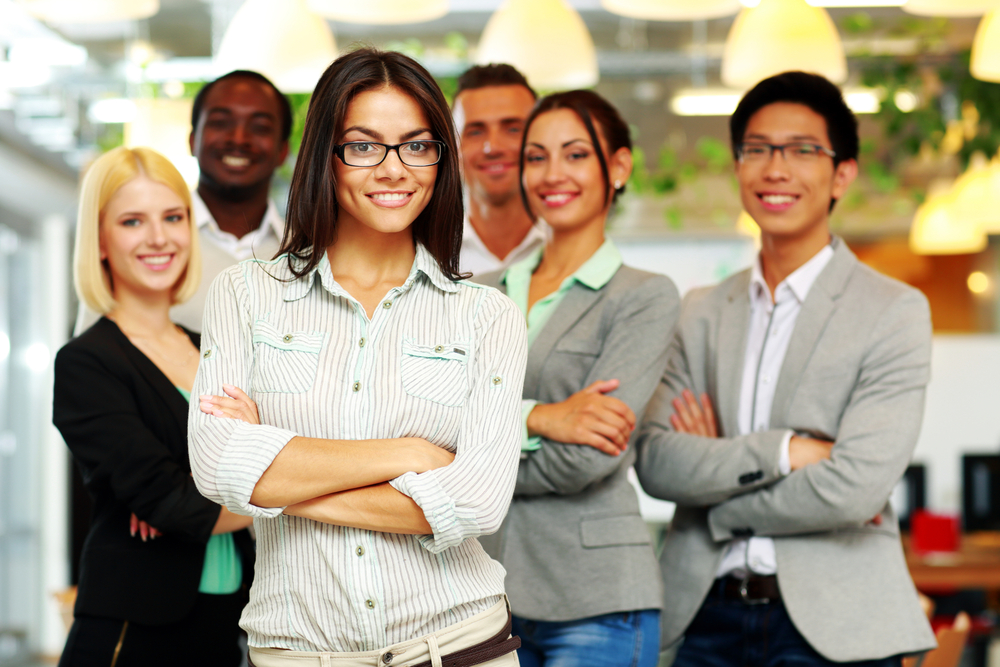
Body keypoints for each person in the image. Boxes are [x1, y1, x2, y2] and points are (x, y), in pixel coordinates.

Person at [188, 48, 527, 666]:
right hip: (300, 652)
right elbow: (216, 468)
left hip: (459, 645)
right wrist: (408, 455)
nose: (394, 169)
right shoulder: (246, 294)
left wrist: (273, 481)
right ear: (326, 154)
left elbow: (477, 501)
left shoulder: (487, 315)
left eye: (416, 146)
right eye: (364, 146)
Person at [635, 71, 936, 667]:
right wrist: (785, 452)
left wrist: (716, 502)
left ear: (842, 174)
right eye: (757, 149)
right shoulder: (699, 311)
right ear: (738, 166)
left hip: (838, 625)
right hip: (707, 620)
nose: (776, 169)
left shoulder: (893, 310)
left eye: (802, 150)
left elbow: (854, 490)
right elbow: (658, 463)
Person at [474, 90, 679, 667]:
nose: (552, 174)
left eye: (575, 154)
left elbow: (590, 457)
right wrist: (542, 417)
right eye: (536, 157)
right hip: (479, 599)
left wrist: (470, 465)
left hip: (596, 601)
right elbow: (431, 422)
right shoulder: (479, 294)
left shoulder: (643, 296)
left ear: (618, 166)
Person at [53, 146, 254, 666]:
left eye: (173, 217)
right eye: (132, 221)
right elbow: (175, 504)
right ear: (100, 240)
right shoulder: (86, 362)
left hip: (228, 621)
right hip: (131, 629)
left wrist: (212, 500)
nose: (159, 238)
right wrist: (265, 494)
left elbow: (281, 454)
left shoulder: (216, 350)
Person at [75, 69, 291, 333]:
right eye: (220, 123)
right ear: (192, 140)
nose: (238, 139)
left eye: (260, 127)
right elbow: (91, 348)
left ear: (283, 150)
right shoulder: (145, 248)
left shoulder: (310, 255)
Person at [454, 64, 548, 275]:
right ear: (455, 148)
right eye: (475, 132)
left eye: (513, 129)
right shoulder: (423, 256)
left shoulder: (569, 248)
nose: (493, 147)